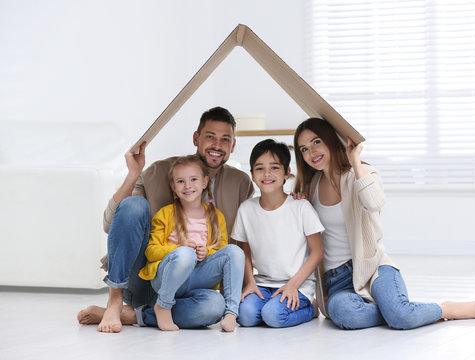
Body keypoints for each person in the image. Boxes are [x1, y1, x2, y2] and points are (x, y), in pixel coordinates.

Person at [293, 118, 475, 330]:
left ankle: (443, 309)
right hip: (336, 280)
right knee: (344, 314)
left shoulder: (361, 173)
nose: (311, 152)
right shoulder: (310, 186)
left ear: (331, 140)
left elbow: (375, 203)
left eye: (316, 142)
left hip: (373, 268)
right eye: (304, 149)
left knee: (401, 318)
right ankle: (400, 309)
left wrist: (355, 162)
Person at [77, 106, 254, 333]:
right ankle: (114, 302)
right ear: (196, 138)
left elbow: (245, 238)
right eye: (210, 137)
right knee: (133, 205)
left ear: (233, 145)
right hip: (149, 277)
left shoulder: (241, 183)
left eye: (225, 139)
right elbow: (111, 224)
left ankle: (135, 316)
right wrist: (133, 174)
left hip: (197, 283)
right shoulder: (159, 171)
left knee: (213, 309)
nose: (217, 146)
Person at [136, 155, 243, 332]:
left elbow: (221, 251)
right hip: (167, 279)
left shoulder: (216, 216)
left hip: (197, 280)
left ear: (204, 182)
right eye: (180, 181)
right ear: (173, 187)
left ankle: (231, 313)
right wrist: (178, 248)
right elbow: (151, 252)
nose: (188, 186)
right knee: (186, 254)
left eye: (194, 179)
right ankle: (163, 304)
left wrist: (206, 252)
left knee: (216, 304)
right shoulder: (165, 214)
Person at [232, 139, 324, 328]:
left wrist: (293, 285)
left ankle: (311, 308)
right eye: (259, 168)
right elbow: (245, 252)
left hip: (297, 285)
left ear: (286, 173)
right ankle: (270, 304)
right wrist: (250, 283)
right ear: (251, 174)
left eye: (274, 167)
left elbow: (317, 252)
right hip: (263, 283)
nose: (267, 174)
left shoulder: (300, 207)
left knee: (273, 316)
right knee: (245, 316)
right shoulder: (246, 209)